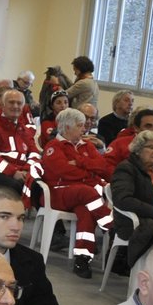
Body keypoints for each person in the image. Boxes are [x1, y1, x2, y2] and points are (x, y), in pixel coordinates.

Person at [40, 107, 115, 278]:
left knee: (86, 213)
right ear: (66, 127)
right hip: (58, 193)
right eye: (80, 125)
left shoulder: (86, 145)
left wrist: (80, 161)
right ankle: (110, 226)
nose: (85, 129)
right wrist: (89, 172)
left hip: (82, 195)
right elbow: (65, 171)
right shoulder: (53, 146)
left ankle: (82, 258)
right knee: (86, 191)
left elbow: (102, 167)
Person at [109, 129, 153, 269]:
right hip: (131, 220)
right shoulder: (126, 168)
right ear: (138, 148)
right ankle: (150, 274)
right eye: (151, 147)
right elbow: (123, 200)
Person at [0, 89, 41, 200]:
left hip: (21, 172)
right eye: (11, 102)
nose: (15, 106)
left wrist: (26, 169)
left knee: (43, 185)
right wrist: (13, 172)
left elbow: (34, 153)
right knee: (17, 186)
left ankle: (44, 217)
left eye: (19, 103)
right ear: (2, 105)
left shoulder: (24, 130)